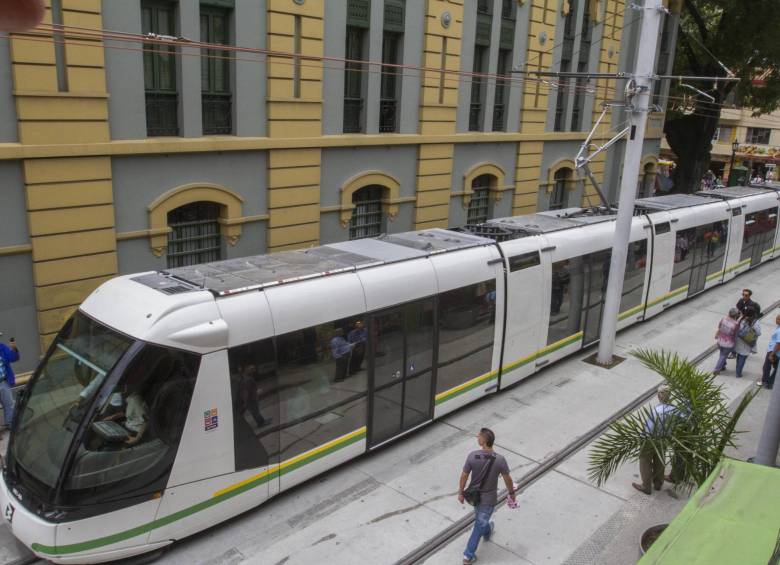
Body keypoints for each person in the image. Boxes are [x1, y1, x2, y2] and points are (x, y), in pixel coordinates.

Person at [458, 428, 516, 565]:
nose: (477, 437)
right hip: (488, 500)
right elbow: (508, 479)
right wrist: (512, 493)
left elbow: (464, 476)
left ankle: (485, 533)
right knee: (480, 523)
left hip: (474, 498)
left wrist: (461, 492)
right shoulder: (500, 460)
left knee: (480, 521)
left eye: (479, 436)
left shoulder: (473, 456)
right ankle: (468, 555)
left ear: (484, 441)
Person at [633, 386, 677, 495]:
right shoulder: (673, 409)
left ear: (659, 396)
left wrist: (642, 439)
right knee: (659, 460)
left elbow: (649, 428)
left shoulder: (657, 410)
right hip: (663, 439)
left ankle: (646, 486)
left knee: (645, 461)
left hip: (650, 439)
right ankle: (658, 484)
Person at [235, 361, 272, 427]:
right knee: (255, 412)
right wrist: (246, 401)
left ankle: (262, 421)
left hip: (250, 399)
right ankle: (261, 423)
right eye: (251, 369)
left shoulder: (244, 377)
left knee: (256, 411)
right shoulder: (247, 379)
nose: (253, 370)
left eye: (253, 369)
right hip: (251, 400)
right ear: (246, 368)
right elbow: (245, 392)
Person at [0, 333, 20, 431]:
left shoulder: (2, 348)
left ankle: (10, 424)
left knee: (8, 404)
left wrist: (14, 349)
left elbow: (13, 358)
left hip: (3, 382)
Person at [734, 306, 761, 378]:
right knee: (743, 357)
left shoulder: (741, 318)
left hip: (739, 340)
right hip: (748, 342)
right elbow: (758, 333)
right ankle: (738, 373)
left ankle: (737, 370)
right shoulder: (755, 322)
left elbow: (736, 327)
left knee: (739, 355)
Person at [712, 308, 739, 375]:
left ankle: (723, 366)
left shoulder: (723, 319)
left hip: (720, 340)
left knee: (722, 354)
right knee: (723, 355)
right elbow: (735, 335)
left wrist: (717, 334)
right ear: (736, 315)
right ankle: (717, 369)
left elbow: (719, 327)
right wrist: (735, 343)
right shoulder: (736, 324)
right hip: (728, 344)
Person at [758, 315, 780, 390]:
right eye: (776, 318)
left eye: (778, 319)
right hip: (775, 351)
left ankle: (766, 382)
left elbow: (778, 344)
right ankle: (771, 383)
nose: (776, 320)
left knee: (767, 367)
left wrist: (772, 354)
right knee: (776, 368)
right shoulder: (778, 327)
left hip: (774, 352)